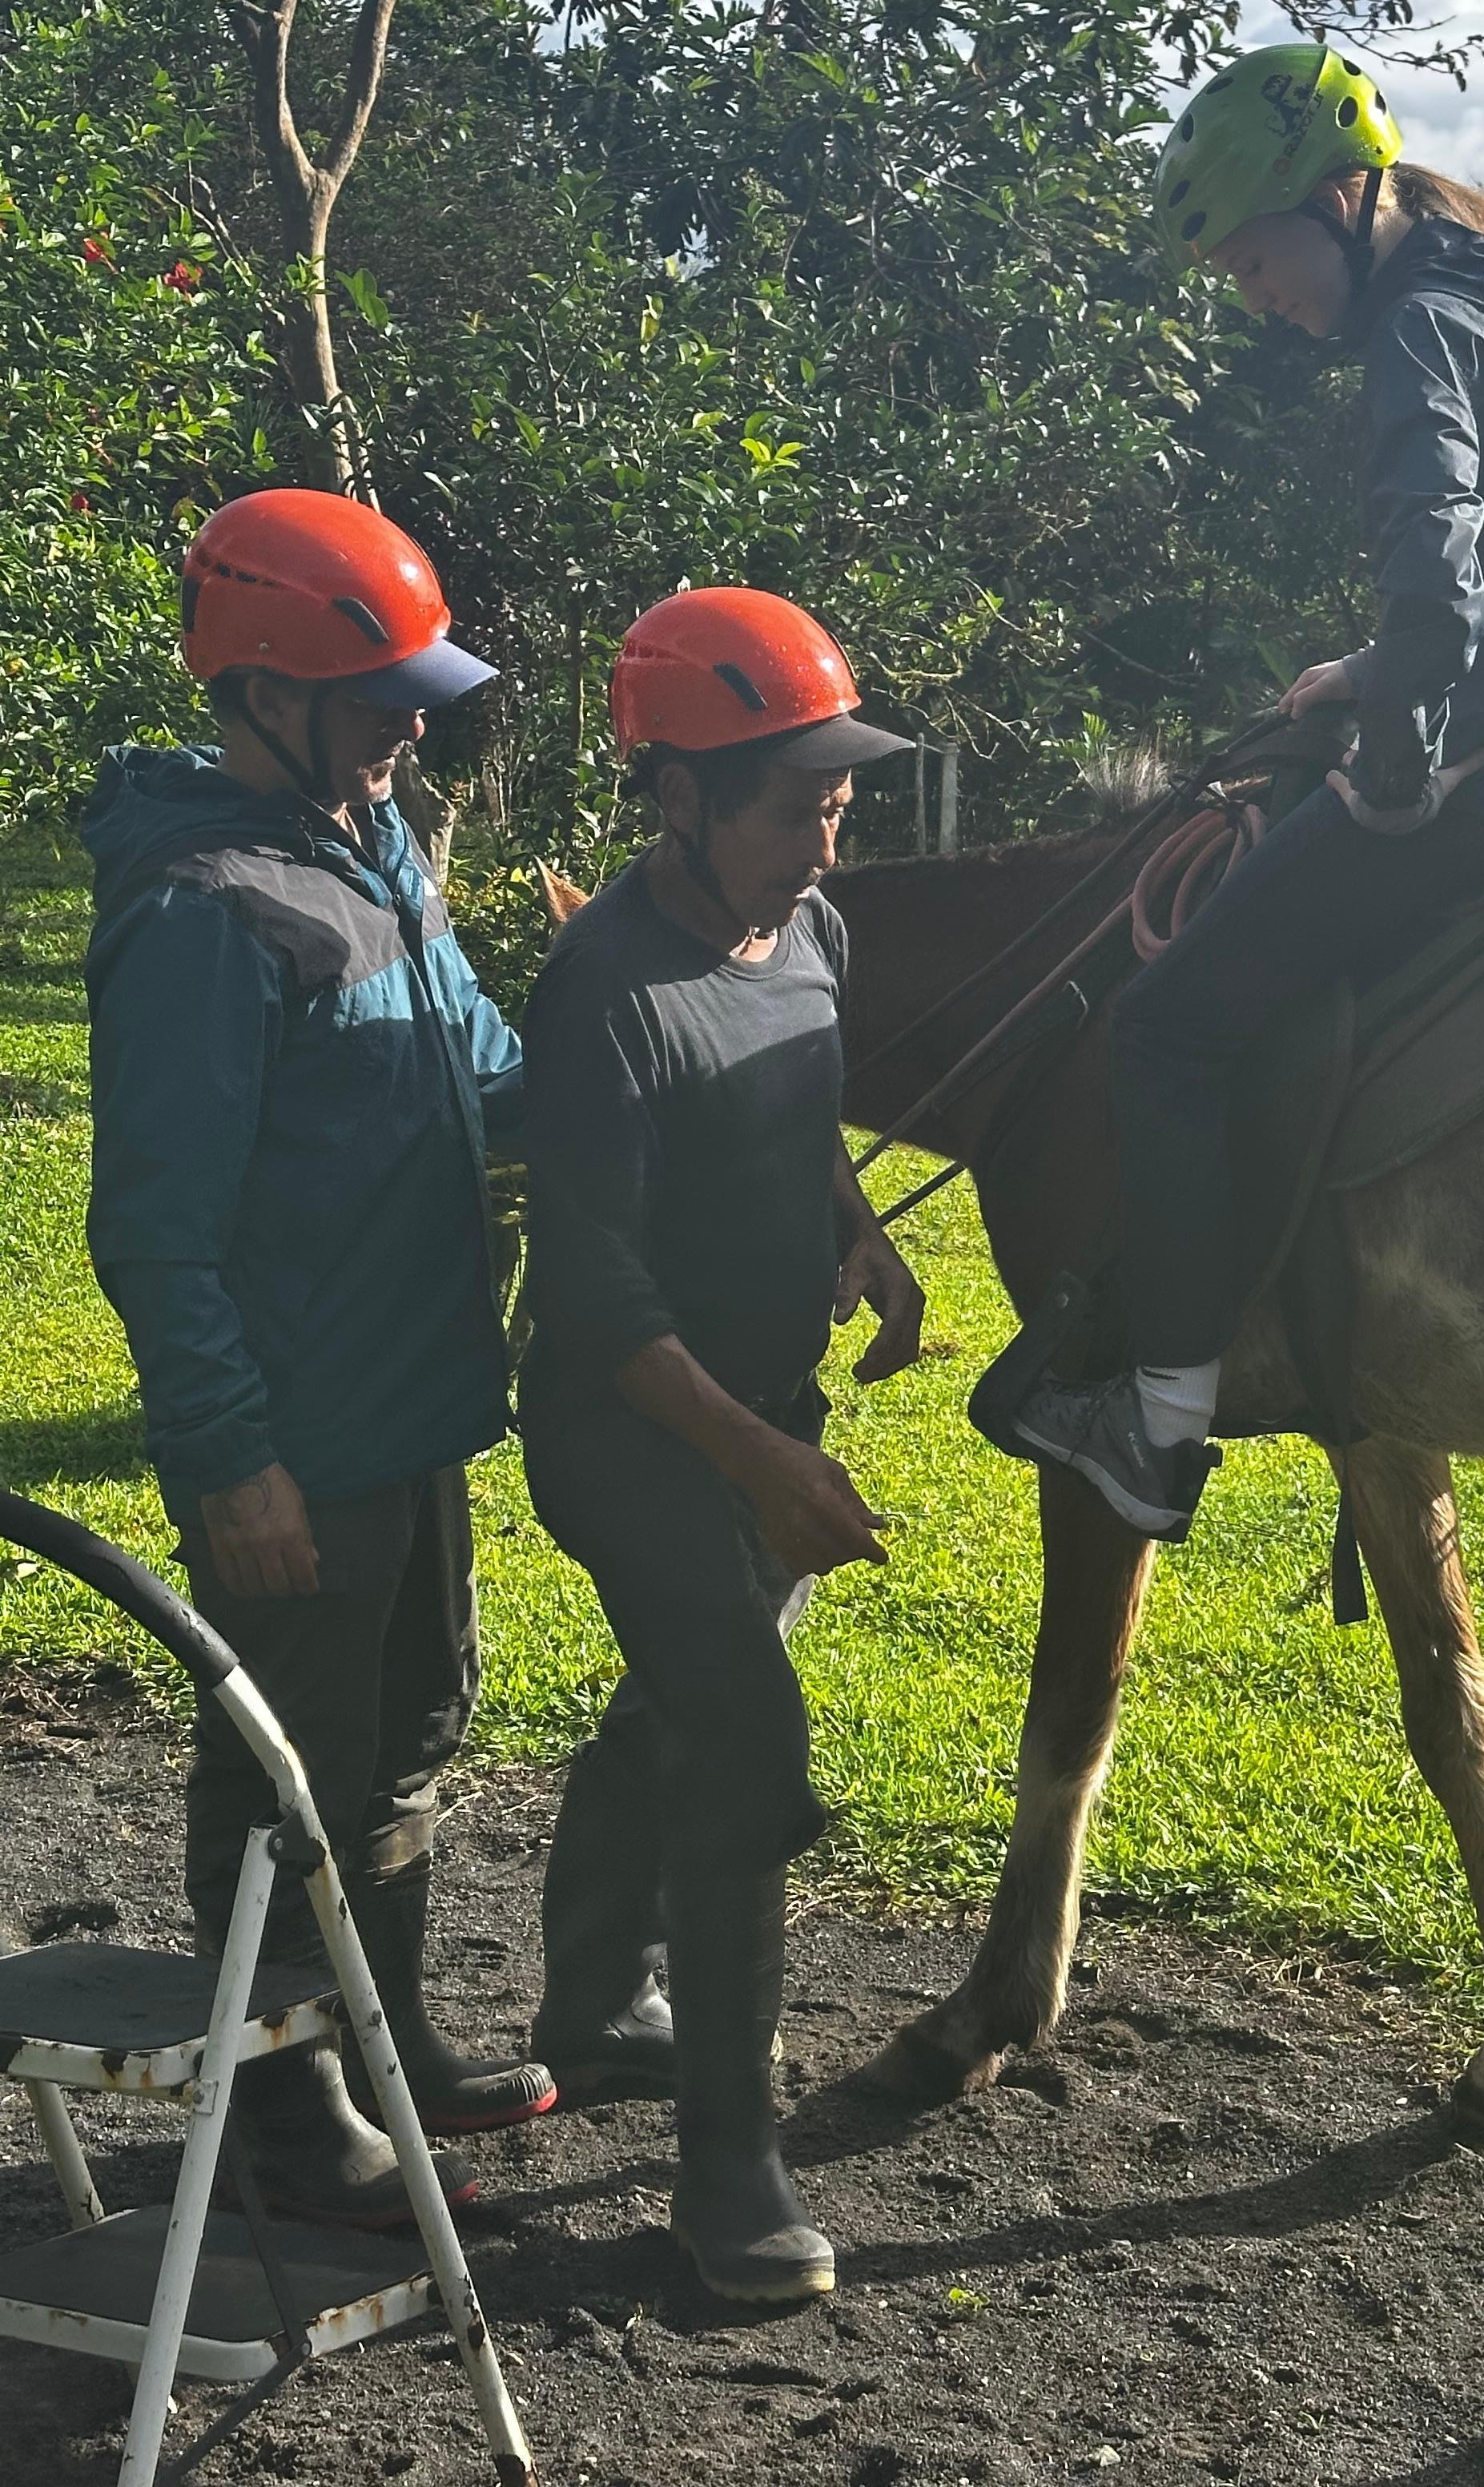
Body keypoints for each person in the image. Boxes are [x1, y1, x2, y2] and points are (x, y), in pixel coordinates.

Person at [997, 41, 1484, 1539]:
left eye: (1254, 261)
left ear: (1340, 198)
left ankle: (1161, 1415)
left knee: (1170, 1024)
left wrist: (1394, 760)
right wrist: (1364, 670)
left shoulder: (1421, 335)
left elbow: (1447, 603)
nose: (1255, 297)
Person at [82, 489, 552, 2228]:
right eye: (378, 704)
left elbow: (486, 1061)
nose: (411, 732)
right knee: (289, 1771)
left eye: (417, 700)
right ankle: (287, 2109)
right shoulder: (208, 911)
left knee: (414, 1727)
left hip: (416, 1402)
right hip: (297, 1435)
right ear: (267, 691)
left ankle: (388, 2037)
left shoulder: (375, 854)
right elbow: (153, 1230)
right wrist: (230, 1457)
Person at [518, 589, 925, 2304]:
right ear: (679, 797)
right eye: (792, 808)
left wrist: (867, 1234)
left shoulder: (805, 933)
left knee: (685, 1690)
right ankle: (728, 2173)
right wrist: (759, 1459)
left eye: (839, 805)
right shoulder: (603, 984)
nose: (821, 844)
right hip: (631, 1431)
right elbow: (597, 1294)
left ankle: (597, 1993)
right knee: (744, 1723)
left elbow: (798, 1106)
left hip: (771, 1407)